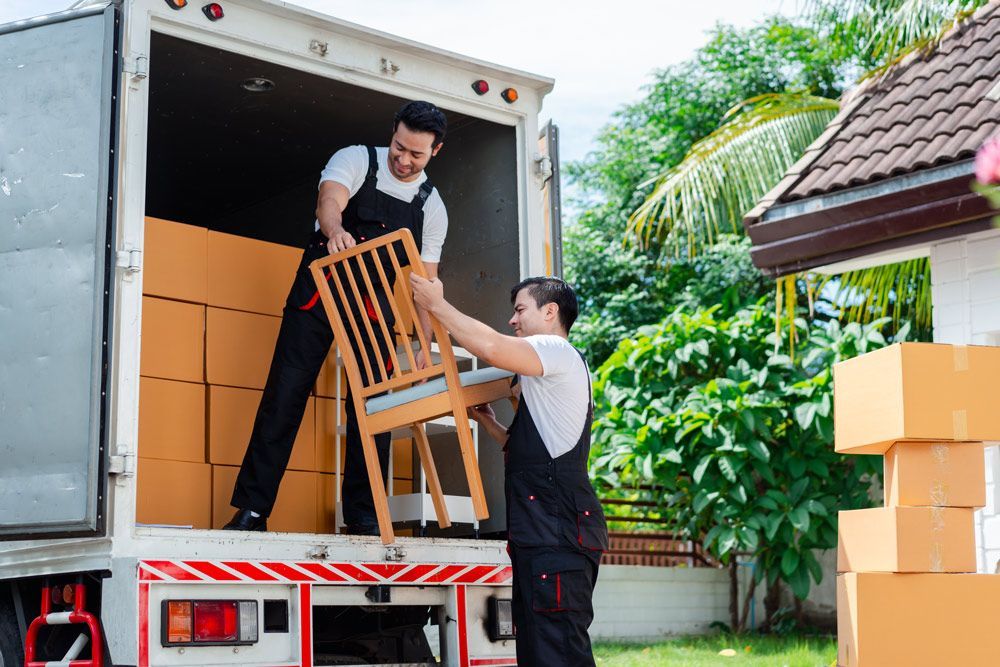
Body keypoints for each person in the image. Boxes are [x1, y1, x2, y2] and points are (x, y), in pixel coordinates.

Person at [224, 100, 449, 534]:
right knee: (284, 397)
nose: (403, 160)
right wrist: (336, 230)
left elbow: (426, 282)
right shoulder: (356, 159)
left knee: (375, 406)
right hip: (318, 293)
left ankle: (363, 514)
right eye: (399, 147)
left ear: (435, 151)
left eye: (416, 154)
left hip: (370, 308)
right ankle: (252, 510)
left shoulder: (432, 206)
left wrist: (425, 342)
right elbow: (329, 201)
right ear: (393, 133)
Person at [409, 274, 609, 667]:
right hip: (546, 533)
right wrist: (489, 422)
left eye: (520, 310)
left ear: (550, 312)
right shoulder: (546, 375)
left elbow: (491, 347)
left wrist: (435, 305)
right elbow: (533, 453)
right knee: (541, 649)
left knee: (556, 652)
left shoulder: (554, 348)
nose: (513, 320)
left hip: (556, 533)